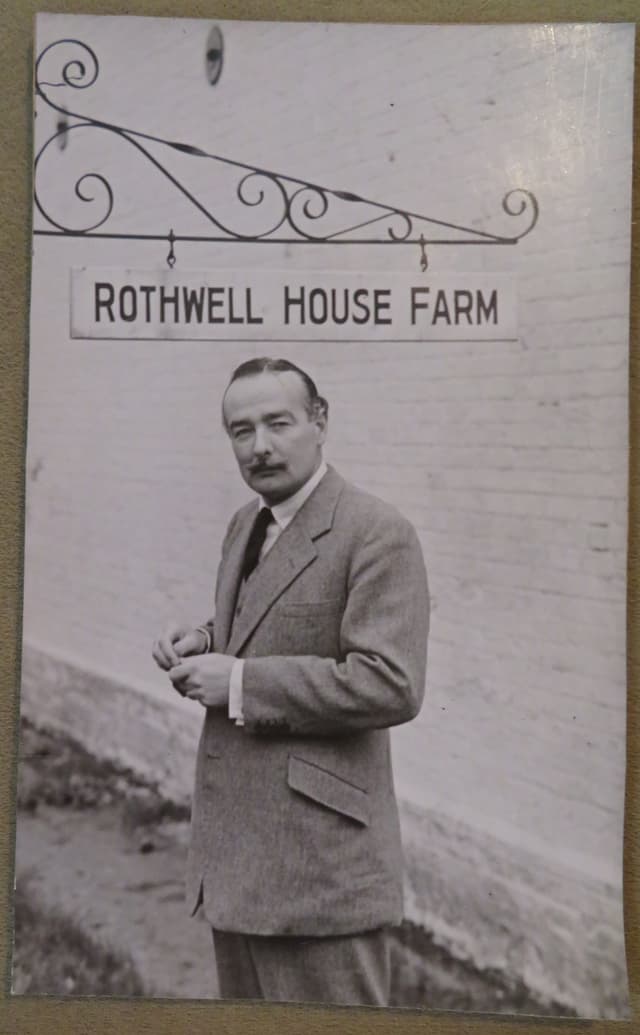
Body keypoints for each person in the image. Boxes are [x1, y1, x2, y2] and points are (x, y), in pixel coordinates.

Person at [152, 357, 429, 1007]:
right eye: (241, 430)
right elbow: (265, 622)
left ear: (320, 422)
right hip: (237, 859)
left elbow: (391, 681)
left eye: (278, 423)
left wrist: (241, 683)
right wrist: (205, 639)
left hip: (317, 868)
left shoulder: (377, 533)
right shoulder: (245, 524)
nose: (260, 446)